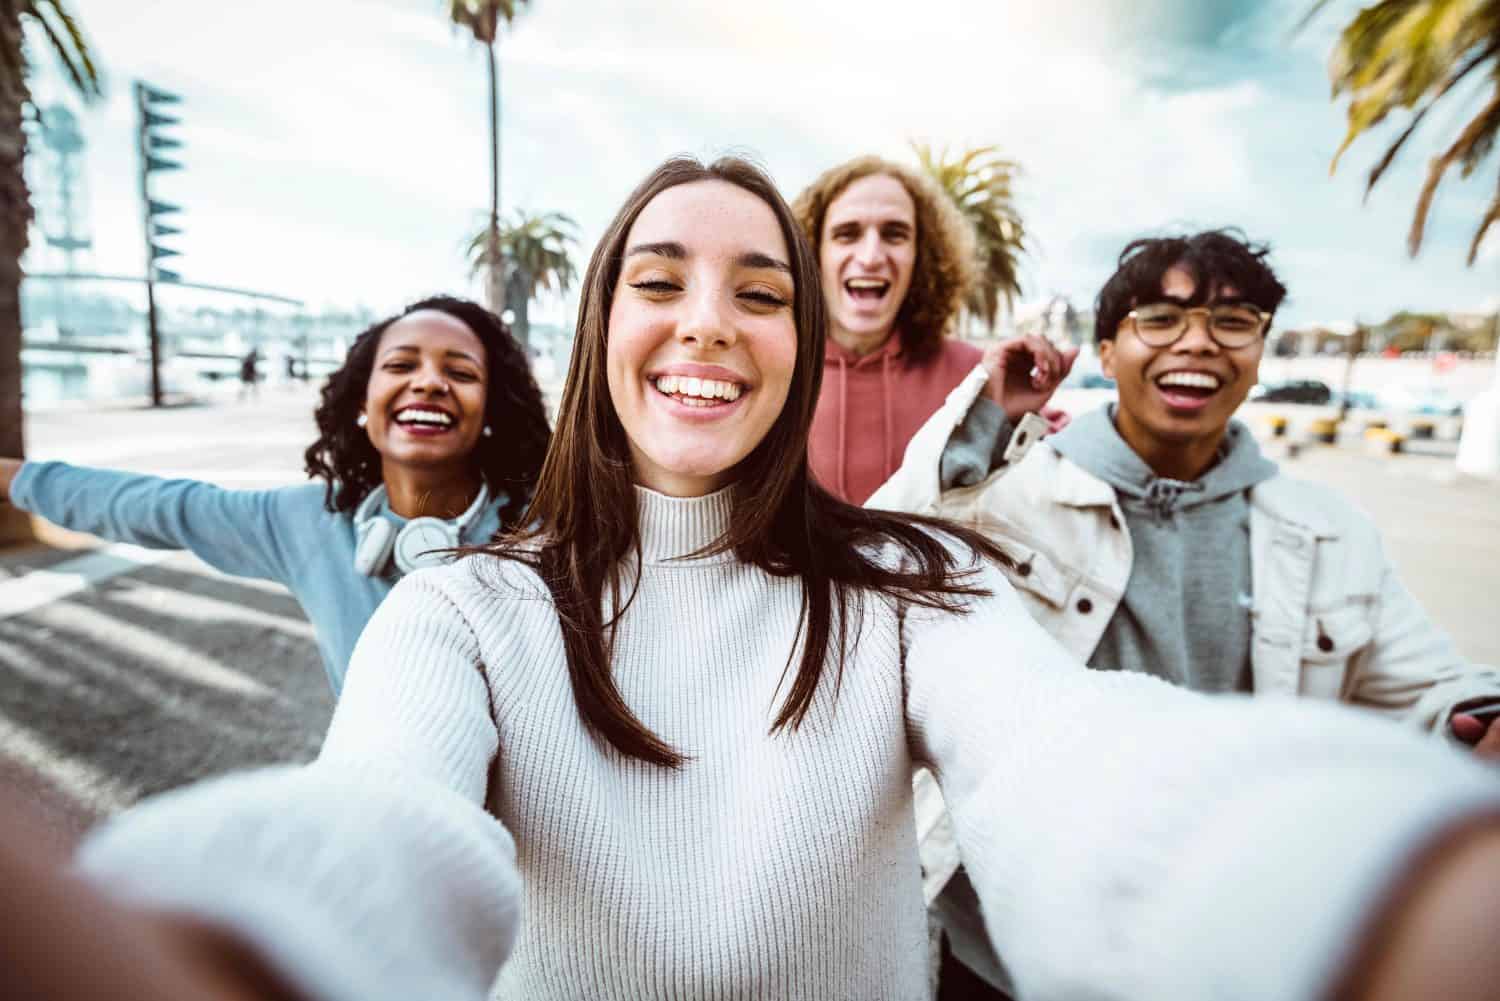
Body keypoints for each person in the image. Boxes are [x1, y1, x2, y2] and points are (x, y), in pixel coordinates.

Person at [61, 160, 1500, 1001]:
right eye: (659, 279)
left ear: (803, 347)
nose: (710, 324)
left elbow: (1069, 762)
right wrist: (228, 937)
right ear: (597, 327)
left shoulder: (913, 585)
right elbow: (385, 811)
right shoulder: (465, 607)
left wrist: (1379, 887)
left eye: (761, 292)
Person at [869, 229, 1500, 996]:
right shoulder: (1010, 492)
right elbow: (879, 563)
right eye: (1160, 319)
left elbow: (1432, 687)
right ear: (1107, 350)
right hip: (993, 949)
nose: (1198, 342)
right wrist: (984, 419)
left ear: (1262, 350)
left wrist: (1476, 714)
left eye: (1234, 321)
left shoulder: (1329, 529)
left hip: (1218, 942)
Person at [0, 295, 551, 692]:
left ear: (491, 412)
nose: (429, 382)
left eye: (460, 372)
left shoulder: (551, 523)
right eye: (401, 365)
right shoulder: (307, 522)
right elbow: (153, 507)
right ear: (363, 401)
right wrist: (13, 478)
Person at [791, 156, 1074, 506]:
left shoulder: (978, 376)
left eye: (895, 234)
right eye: (846, 234)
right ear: (812, 252)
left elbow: (1061, 464)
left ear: (922, 256)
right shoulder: (777, 368)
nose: (870, 256)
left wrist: (1026, 421)